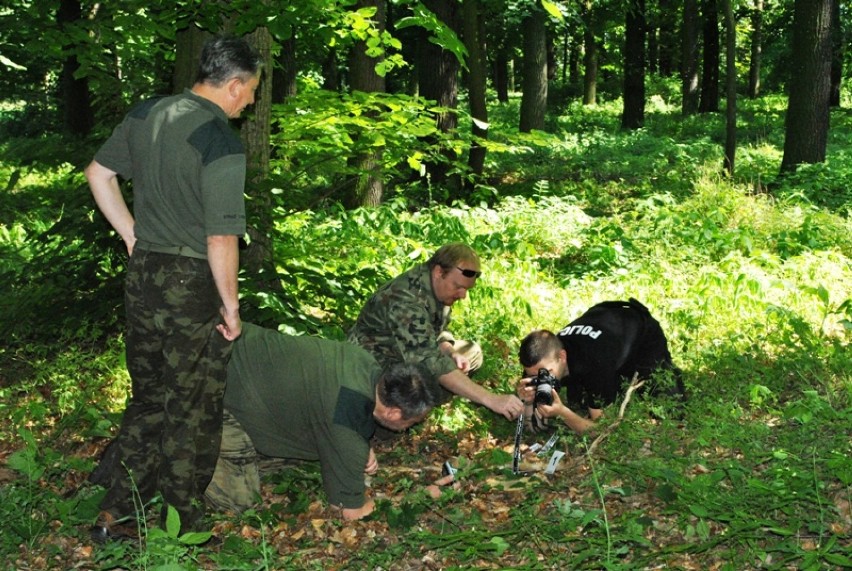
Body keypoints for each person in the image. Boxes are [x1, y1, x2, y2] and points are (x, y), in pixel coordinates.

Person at [84, 35, 262, 540]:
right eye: (249, 92)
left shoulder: (147, 113)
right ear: (233, 85)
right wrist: (230, 307)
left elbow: (99, 174)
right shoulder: (218, 138)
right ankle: (182, 526)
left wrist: (131, 234)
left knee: (147, 399)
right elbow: (221, 236)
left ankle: (114, 513)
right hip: (191, 284)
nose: (249, 103)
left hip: (142, 278)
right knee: (192, 408)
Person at [203, 323, 438, 520]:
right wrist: (418, 499)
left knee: (293, 460)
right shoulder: (346, 426)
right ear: (394, 414)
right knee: (238, 502)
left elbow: (342, 410)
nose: (412, 427)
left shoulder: (363, 362)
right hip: (206, 386)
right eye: (413, 421)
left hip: (226, 341)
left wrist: (357, 444)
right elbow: (349, 512)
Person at [347, 243, 524, 421]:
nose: (463, 295)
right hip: (373, 370)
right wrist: (492, 400)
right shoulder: (406, 301)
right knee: (414, 390)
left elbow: (436, 333)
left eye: (466, 289)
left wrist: (450, 351)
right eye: (458, 287)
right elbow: (430, 362)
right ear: (439, 272)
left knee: (471, 353)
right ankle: (386, 418)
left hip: (407, 356)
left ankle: (421, 403)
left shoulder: (438, 288)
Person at [516, 298, 685, 434]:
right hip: (602, 322)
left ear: (562, 357)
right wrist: (529, 403)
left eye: (546, 373)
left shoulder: (593, 364)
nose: (541, 379)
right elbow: (536, 427)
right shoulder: (539, 362)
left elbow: (603, 431)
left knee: (672, 409)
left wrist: (562, 413)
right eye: (533, 375)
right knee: (581, 404)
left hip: (639, 331)